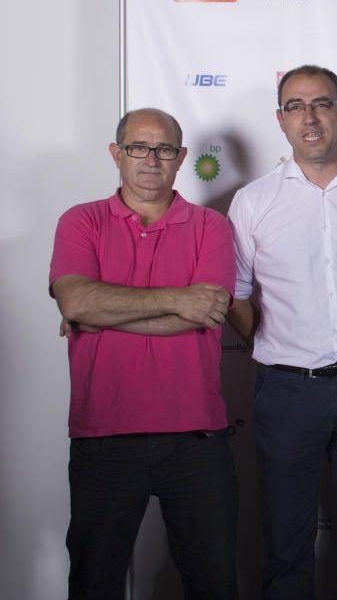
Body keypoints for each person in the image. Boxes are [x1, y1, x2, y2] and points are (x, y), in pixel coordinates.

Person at [226, 64, 337, 600]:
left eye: (322, 104)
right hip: (285, 391)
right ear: (280, 120)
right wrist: (276, 340)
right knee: (285, 542)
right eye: (296, 106)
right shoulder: (253, 202)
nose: (310, 117)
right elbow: (236, 293)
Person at [49, 108, 238, 599]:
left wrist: (102, 312)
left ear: (181, 159)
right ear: (117, 154)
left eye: (164, 149)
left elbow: (210, 311)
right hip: (104, 435)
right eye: (138, 147)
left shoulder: (210, 226)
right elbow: (75, 300)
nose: (151, 159)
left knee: (213, 582)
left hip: (196, 437)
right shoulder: (81, 221)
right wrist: (180, 299)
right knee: (94, 583)